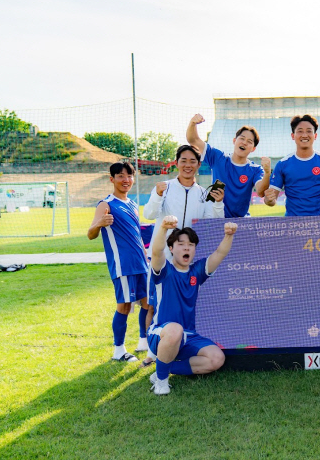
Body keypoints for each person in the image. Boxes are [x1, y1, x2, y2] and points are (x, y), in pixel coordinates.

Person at [142, 144, 225, 365]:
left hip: (186, 258)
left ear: (199, 165)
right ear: (176, 163)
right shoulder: (164, 187)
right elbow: (149, 213)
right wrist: (158, 196)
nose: (188, 165)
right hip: (164, 256)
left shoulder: (203, 193)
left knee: (184, 304)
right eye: (184, 160)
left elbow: (213, 221)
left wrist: (218, 203)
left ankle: (181, 346)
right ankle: (153, 351)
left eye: (193, 161)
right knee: (154, 304)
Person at [147, 215, 237, 395]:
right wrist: (164, 228)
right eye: (181, 244)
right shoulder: (165, 270)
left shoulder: (197, 271)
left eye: (191, 244)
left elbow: (219, 254)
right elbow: (156, 252)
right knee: (175, 330)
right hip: (161, 333)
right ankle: (162, 382)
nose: (187, 247)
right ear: (171, 248)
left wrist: (229, 235)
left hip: (188, 336)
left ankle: (163, 369)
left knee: (216, 359)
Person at [87, 162, 150, 362]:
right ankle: (119, 351)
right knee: (124, 306)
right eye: (121, 176)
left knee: (148, 304)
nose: (126, 180)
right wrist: (99, 223)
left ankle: (144, 341)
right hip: (123, 266)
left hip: (142, 263)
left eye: (129, 176)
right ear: (112, 179)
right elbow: (90, 234)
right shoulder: (105, 204)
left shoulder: (132, 203)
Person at [264, 114, 320, 216]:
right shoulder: (283, 164)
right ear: (293, 136)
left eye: (309, 131)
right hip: (292, 223)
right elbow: (271, 200)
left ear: (315, 136)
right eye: (300, 131)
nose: (305, 135)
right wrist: (268, 199)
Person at [186, 114, 271, 217]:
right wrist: (193, 123)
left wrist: (267, 173)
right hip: (216, 218)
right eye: (242, 138)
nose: (244, 143)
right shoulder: (219, 158)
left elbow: (261, 191)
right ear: (234, 141)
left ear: (253, 149)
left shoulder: (255, 170)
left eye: (249, 142)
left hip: (240, 222)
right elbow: (193, 140)